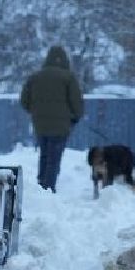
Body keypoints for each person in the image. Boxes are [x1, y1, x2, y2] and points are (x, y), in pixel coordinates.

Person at [20, 46, 84, 193]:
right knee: (54, 158)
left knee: (44, 154)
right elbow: (76, 101)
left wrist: (35, 111)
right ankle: (48, 188)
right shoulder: (68, 78)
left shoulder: (35, 77)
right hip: (61, 125)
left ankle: (41, 185)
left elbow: (24, 101)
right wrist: (75, 117)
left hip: (40, 124)